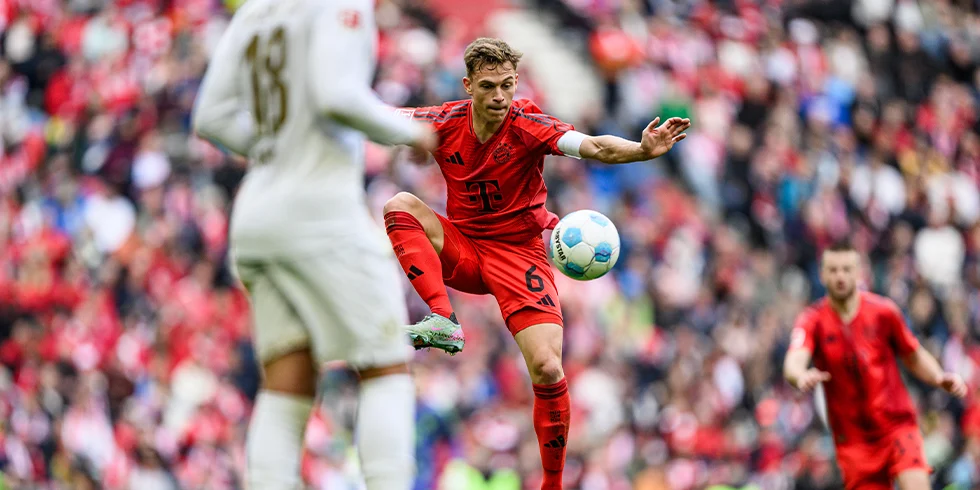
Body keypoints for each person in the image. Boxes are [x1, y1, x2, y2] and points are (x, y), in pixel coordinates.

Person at [382, 37, 690, 490]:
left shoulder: (526, 122)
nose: (501, 97)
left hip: (520, 255)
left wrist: (641, 150)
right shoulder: (443, 121)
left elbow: (595, 148)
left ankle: (552, 484)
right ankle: (442, 318)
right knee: (399, 204)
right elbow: (375, 118)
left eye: (508, 85)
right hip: (465, 248)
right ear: (468, 85)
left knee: (548, 368)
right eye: (489, 86)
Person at [191, 0, 437, 487]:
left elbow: (211, 117)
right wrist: (411, 132)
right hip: (320, 212)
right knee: (386, 363)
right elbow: (335, 93)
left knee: (288, 382)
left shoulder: (255, 12)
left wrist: (274, 148)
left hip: (258, 214)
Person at [783, 240, 968, 490]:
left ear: (858, 272)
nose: (840, 276)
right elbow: (794, 360)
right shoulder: (812, 321)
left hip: (895, 426)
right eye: (834, 269)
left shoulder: (884, 312)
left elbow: (912, 354)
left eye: (846, 269)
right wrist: (800, 376)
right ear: (823, 273)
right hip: (854, 441)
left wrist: (938, 376)